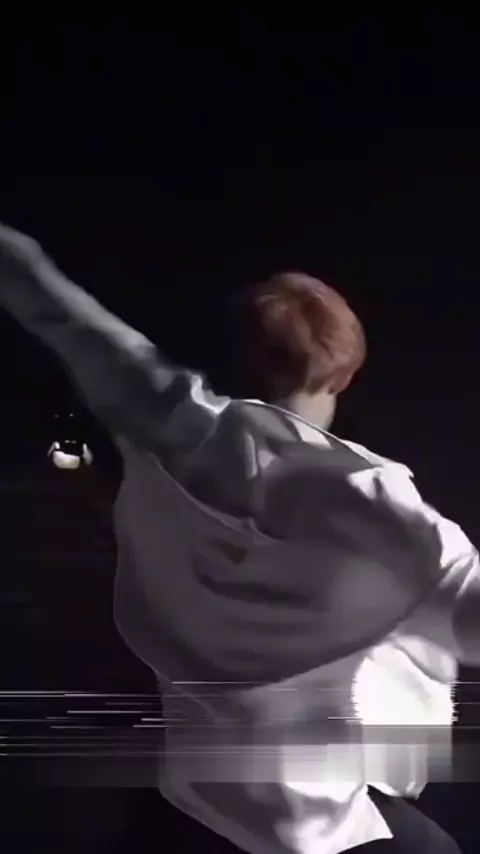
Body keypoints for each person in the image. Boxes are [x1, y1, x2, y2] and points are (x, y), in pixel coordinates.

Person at [0, 224, 475, 854]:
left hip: (191, 798)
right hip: (309, 826)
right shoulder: (387, 515)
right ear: (342, 376)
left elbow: (52, 305)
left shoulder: (163, 420)